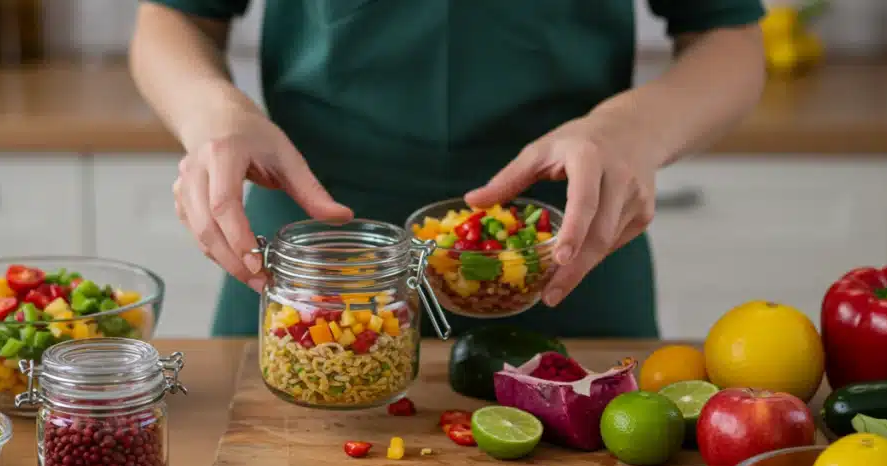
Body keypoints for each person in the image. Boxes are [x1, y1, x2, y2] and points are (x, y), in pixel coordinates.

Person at [130, 0, 767, 339]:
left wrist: (636, 129)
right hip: (313, 263)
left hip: (573, 250)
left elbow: (729, 37)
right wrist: (211, 114)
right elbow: (171, 16)